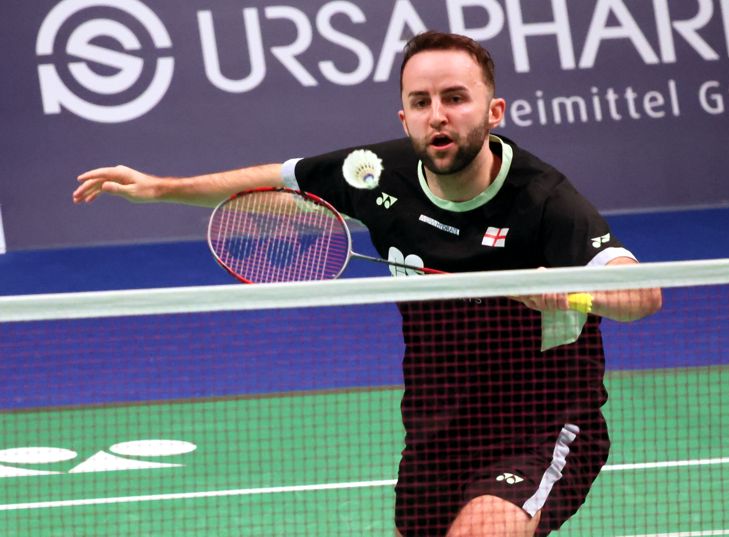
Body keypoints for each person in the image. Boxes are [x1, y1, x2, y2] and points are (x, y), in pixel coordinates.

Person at [74, 31, 661, 537]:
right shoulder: (376, 172)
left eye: (456, 98)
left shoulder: (545, 201)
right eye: (422, 101)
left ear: (494, 110)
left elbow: (643, 295)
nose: (440, 114)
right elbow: (277, 182)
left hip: (539, 420)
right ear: (404, 117)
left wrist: (570, 292)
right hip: (437, 425)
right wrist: (160, 188)